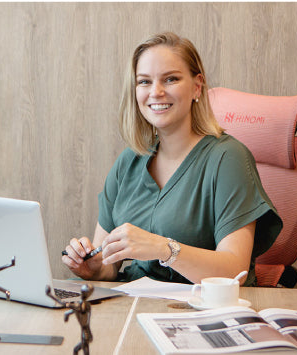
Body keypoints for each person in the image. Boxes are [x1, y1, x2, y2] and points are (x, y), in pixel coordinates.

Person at [62, 32, 282, 287]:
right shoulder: (129, 161)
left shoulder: (228, 158)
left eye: (171, 79)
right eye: (144, 82)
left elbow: (235, 271)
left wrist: (163, 248)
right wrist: (91, 267)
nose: (156, 92)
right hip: (133, 304)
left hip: (200, 311)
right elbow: (108, 266)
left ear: (197, 86)